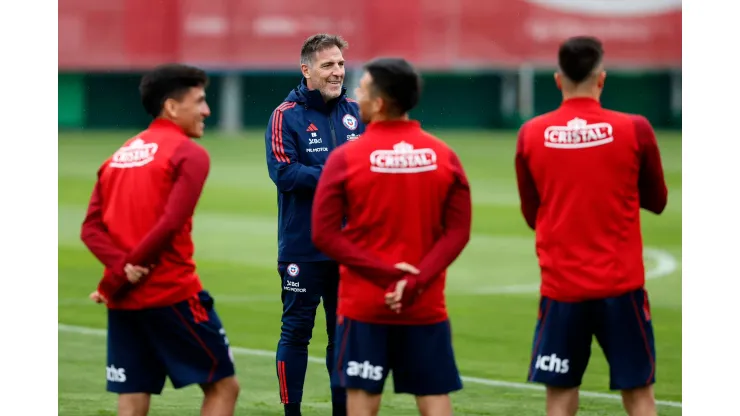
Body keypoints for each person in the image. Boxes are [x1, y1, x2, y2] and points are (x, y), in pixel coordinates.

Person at [515, 36, 669, 416]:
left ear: (557, 80)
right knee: (638, 393)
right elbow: (657, 201)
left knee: (560, 393)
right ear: (601, 78)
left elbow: (531, 214)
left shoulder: (531, 133)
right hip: (621, 286)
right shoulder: (635, 128)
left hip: (561, 288)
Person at [311, 57, 472, 416]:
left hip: (366, 304)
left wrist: (385, 274)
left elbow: (324, 234)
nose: (356, 94)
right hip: (424, 302)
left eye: (363, 90)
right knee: (433, 398)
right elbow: (458, 232)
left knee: (363, 401)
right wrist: (415, 281)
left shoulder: (345, 158)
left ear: (379, 104)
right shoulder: (444, 155)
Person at [80, 64, 240, 416]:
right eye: (199, 101)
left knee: (134, 395)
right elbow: (170, 224)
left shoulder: (118, 156)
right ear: (171, 106)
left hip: (125, 302)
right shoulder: (189, 153)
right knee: (223, 386)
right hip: (173, 294)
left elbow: (90, 229)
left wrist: (118, 276)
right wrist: (118, 276)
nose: (206, 111)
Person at [264, 33, 365, 416]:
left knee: (342, 334)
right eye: (328, 65)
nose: (337, 72)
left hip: (350, 246)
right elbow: (285, 173)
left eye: (340, 64)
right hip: (302, 246)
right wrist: (339, 174)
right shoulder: (285, 115)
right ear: (306, 70)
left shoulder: (357, 111)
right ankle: (293, 412)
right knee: (296, 332)